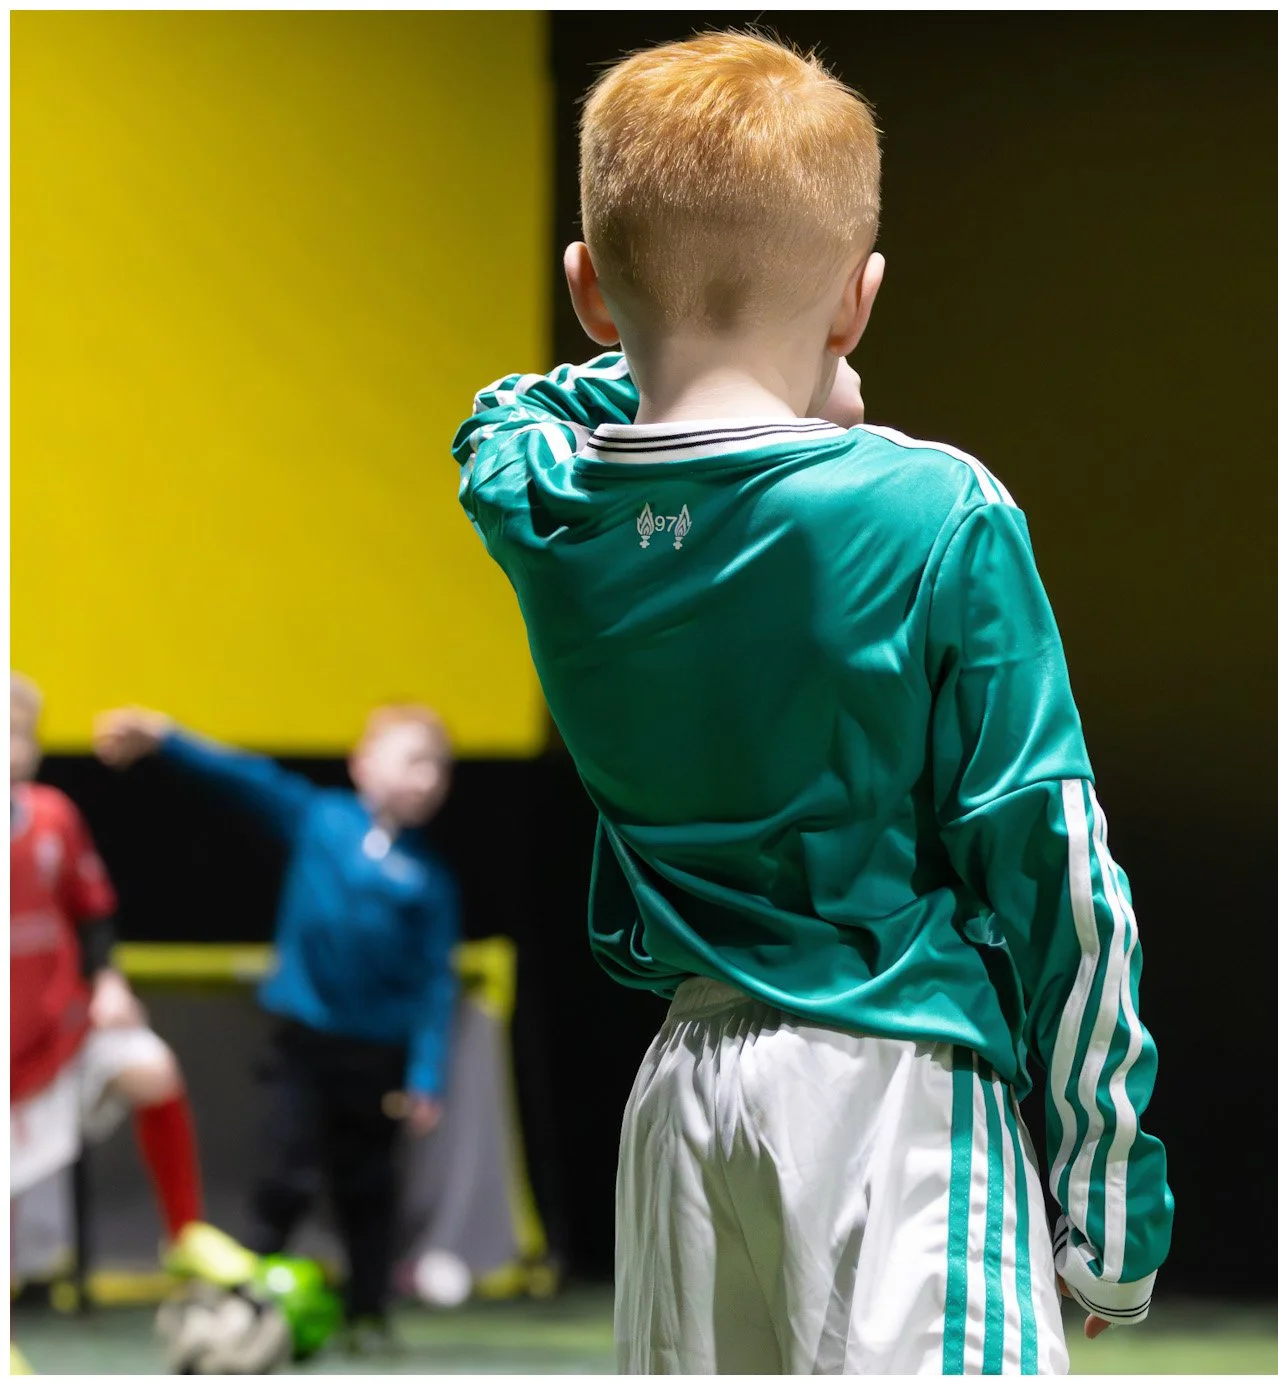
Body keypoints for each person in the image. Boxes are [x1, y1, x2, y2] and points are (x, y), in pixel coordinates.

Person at [451, 31, 1171, 1374]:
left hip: (680, 1111)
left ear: (589, 291)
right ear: (859, 300)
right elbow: (1057, 865)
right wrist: (1115, 1207)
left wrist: (685, 358)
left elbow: (502, 414)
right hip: (896, 1101)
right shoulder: (935, 507)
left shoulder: (548, 501)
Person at [92, 703, 460, 1352]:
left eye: (439, 768)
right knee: (284, 1172)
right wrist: (167, 737)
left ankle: (368, 1312)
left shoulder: (431, 878)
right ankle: (243, 1294)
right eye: (413, 760)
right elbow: (243, 776)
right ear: (363, 762)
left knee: (368, 1187)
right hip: (305, 1044)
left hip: (377, 1056)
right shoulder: (322, 820)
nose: (427, 779)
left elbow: (435, 983)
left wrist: (424, 1071)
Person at [9, 674, 209, 1260]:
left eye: (19, 733)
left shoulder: (55, 817)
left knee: (152, 1069)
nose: (9, 745)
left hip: (62, 1026)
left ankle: (186, 1240)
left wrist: (110, 983)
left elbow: (92, 912)